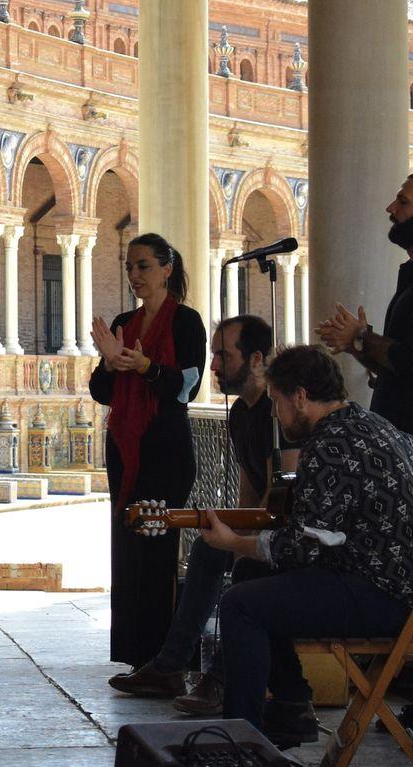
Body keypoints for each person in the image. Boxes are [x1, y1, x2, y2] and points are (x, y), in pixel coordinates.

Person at [202, 344, 413, 748]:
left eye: (278, 402)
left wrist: (234, 542)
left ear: (299, 396)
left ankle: (240, 741)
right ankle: (292, 708)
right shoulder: (378, 426)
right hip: (394, 585)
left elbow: (302, 549)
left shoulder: (328, 445)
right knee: (254, 577)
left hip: (381, 595)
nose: (277, 415)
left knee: (240, 605)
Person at [107, 314, 285, 709]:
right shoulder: (240, 413)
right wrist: (231, 529)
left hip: (289, 537)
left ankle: (222, 679)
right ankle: (170, 666)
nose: (215, 366)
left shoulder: (279, 410)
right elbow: (250, 489)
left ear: (257, 359)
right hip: (262, 524)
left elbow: (279, 498)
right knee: (207, 549)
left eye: (223, 355)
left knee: (245, 568)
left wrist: (243, 542)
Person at [90, 232, 206, 674]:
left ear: (166, 269)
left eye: (143, 266)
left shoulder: (185, 322)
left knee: (157, 548)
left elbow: (187, 387)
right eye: (130, 267)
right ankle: (136, 654)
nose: (135, 275)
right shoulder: (125, 321)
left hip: (165, 449)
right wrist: (108, 361)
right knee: (128, 547)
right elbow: (103, 393)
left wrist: (146, 366)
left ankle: (165, 659)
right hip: (124, 447)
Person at [316, 171, 413, 432]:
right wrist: (355, 344)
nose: (390, 209)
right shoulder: (408, 275)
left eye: (403, 202)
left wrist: (361, 335)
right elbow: (395, 372)